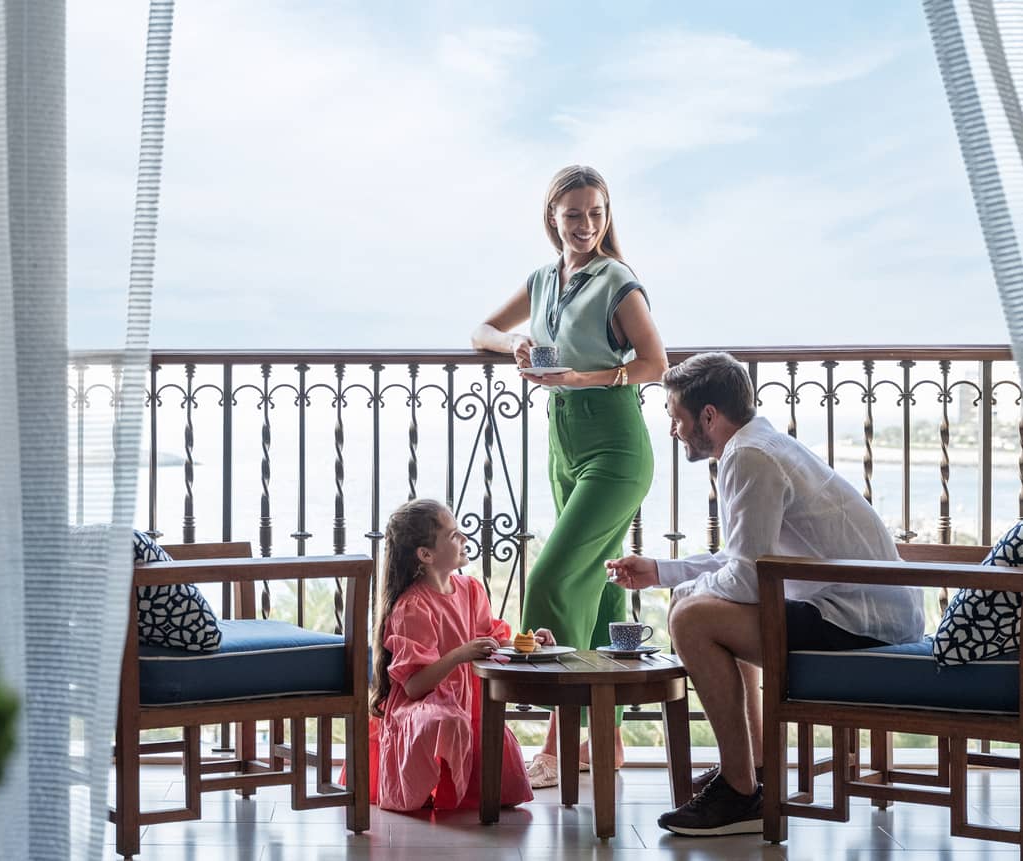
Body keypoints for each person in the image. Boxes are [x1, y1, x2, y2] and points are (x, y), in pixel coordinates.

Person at [606, 351, 925, 836]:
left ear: (708, 416)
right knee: (700, 605)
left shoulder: (749, 457)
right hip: (867, 610)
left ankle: (740, 793)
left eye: (676, 418)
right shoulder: (760, 444)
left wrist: (687, 593)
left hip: (861, 623)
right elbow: (748, 562)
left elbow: (748, 580)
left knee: (692, 619)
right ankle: (752, 770)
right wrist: (663, 572)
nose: (673, 430)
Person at [471, 165, 668, 787]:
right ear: (552, 216)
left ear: (607, 217)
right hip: (564, 442)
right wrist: (517, 347)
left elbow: (655, 362)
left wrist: (591, 377)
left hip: (614, 444)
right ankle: (599, 744)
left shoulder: (618, 281)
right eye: (574, 214)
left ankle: (557, 745)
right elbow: (481, 331)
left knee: (554, 576)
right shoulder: (542, 279)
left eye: (596, 213)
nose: (586, 225)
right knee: (600, 588)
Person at [369, 498, 550, 811]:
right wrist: (459, 655)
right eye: (453, 535)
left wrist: (530, 642)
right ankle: (429, 788)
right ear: (425, 555)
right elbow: (413, 687)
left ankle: (466, 787)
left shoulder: (470, 589)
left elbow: (491, 639)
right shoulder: (413, 607)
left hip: (466, 698)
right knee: (446, 720)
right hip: (422, 705)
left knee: (489, 741)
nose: (464, 538)